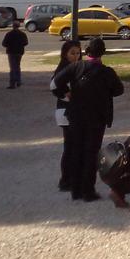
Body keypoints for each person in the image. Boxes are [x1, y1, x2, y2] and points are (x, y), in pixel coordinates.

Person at [52, 37, 124, 202]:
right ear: (103, 53)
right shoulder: (107, 72)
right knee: (91, 153)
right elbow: (119, 90)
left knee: (76, 150)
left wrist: (67, 94)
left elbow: (54, 84)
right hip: (97, 117)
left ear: (86, 52)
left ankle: (75, 189)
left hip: (76, 114)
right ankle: (88, 190)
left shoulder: (76, 67)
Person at [51, 40, 82, 191]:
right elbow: (54, 86)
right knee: (70, 147)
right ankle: (65, 180)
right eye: (72, 53)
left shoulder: (77, 67)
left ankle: (72, 177)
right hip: (65, 112)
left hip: (74, 111)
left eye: (78, 53)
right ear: (65, 54)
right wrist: (66, 94)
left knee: (74, 146)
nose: (76, 56)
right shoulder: (64, 68)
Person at [2, 20, 29, 89]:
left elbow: (4, 44)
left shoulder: (9, 34)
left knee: (12, 67)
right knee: (17, 66)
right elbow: (26, 43)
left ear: (13, 26)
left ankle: (12, 83)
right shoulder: (22, 34)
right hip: (19, 52)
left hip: (11, 52)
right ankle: (18, 81)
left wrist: (9, 45)